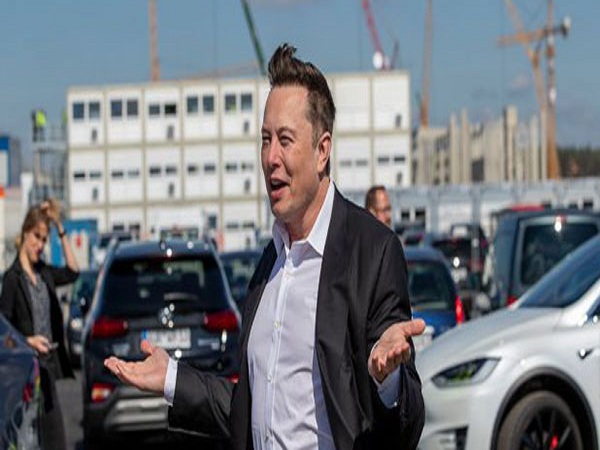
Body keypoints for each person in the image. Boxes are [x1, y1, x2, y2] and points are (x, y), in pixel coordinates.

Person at [105, 43, 425, 449]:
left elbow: (407, 424)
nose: (271, 157)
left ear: (322, 150)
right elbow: (249, 409)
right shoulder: (271, 261)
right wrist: (173, 378)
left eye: (285, 140)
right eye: (265, 139)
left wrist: (388, 379)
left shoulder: (373, 251)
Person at [0, 199, 79, 450]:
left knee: (56, 439)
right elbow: (3, 332)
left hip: (47, 369)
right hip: (24, 373)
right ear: (25, 233)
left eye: (44, 239)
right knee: (28, 441)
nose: (40, 244)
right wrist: (27, 341)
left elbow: (73, 271)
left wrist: (59, 227)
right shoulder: (12, 279)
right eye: (37, 236)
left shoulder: (44, 273)